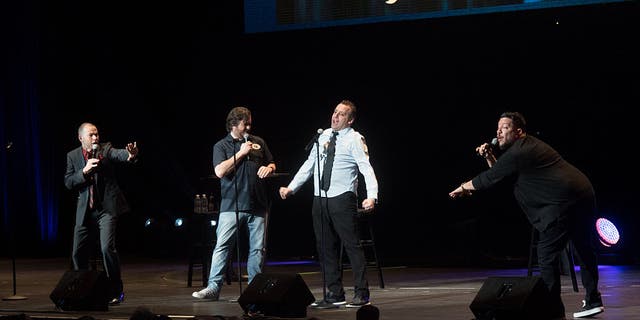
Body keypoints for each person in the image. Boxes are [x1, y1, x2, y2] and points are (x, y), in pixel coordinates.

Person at [448, 112, 604, 319]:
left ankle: (553, 312)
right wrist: (489, 157)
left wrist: (463, 187)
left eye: (504, 127)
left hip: (563, 203)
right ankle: (593, 300)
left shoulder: (520, 151)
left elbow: (491, 177)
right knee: (584, 250)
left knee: (547, 256)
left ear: (518, 131)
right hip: (583, 195)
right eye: (498, 128)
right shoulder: (525, 149)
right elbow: (502, 174)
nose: (498, 132)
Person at [279, 100, 378, 308]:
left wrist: (372, 196)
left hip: (342, 198)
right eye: (334, 112)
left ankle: (362, 293)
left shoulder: (354, 139)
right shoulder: (323, 136)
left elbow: (366, 168)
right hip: (320, 197)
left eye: (341, 114)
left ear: (350, 120)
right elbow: (309, 165)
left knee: (352, 246)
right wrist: (291, 187)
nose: (335, 116)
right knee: (325, 247)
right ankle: (334, 293)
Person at [192, 106, 276, 300]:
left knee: (257, 249)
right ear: (233, 124)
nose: (248, 126)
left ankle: (255, 290)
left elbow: (272, 162)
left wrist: (269, 168)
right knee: (223, 246)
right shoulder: (221, 146)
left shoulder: (259, 142)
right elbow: (220, 171)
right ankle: (213, 288)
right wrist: (241, 153)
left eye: (250, 123)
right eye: (245, 123)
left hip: (258, 204)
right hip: (232, 205)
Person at [64, 122, 138, 305]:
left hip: (106, 208)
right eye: (91, 135)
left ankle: (115, 290)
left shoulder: (105, 149)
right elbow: (68, 182)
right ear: (81, 138)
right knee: (77, 252)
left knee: (107, 248)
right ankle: (80, 290)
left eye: (97, 134)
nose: (96, 138)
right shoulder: (72, 156)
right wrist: (84, 171)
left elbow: (118, 154)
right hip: (85, 211)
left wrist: (129, 155)